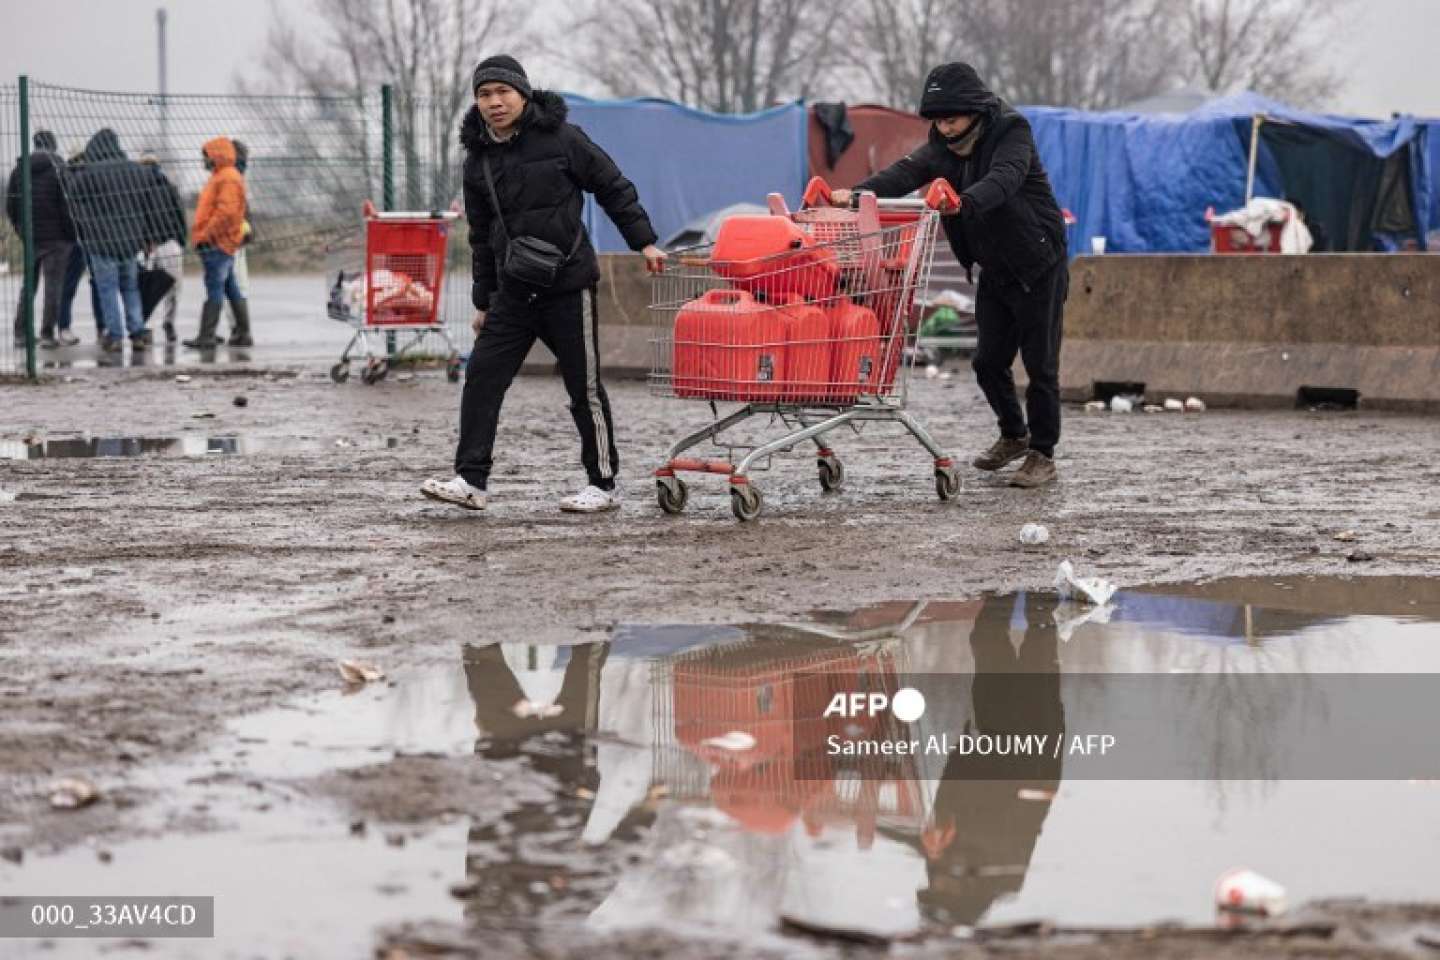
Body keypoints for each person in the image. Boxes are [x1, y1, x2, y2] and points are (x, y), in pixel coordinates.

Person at [421, 55, 666, 514]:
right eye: (484, 94)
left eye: (502, 92)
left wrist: (645, 243)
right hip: (512, 293)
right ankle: (471, 481)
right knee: (482, 377)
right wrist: (483, 301)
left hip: (568, 287)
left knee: (584, 388)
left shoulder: (562, 138)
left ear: (522, 93)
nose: (494, 102)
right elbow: (480, 237)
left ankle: (603, 485)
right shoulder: (477, 160)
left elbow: (612, 185)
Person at [833, 63, 1069, 488]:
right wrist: (857, 195)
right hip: (994, 268)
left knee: (1040, 367)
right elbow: (906, 171)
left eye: (952, 119)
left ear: (975, 112)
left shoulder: (1011, 131)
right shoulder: (942, 143)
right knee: (987, 363)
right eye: (938, 121)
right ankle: (1014, 435)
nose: (944, 128)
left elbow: (1005, 178)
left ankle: (1043, 455)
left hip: (1038, 263)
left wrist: (963, 202)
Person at [66, 129, 151, 352]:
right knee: (131, 289)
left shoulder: (88, 173)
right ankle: (138, 332)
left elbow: (73, 201)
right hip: (130, 242)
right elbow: (146, 204)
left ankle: (115, 335)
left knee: (108, 289)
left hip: (101, 242)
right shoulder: (135, 170)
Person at [6, 130, 78, 348]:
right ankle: (47, 335)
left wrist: (21, 230)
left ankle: (20, 333)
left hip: (31, 236)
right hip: (57, 239)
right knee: (53, 288)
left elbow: (11, 206)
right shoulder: (59, 169)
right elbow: (68, 207)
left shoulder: (19, 170)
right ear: (53, 146)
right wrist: (70, 234)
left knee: (28, 286)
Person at [184, 137, 249, 349]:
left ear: (216, 155)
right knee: (230, 288)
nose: (204, 160)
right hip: (223, 242)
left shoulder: (226, 178)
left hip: (217, 244)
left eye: (206, 156)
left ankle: (207, 336)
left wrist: (206, 235)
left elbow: (226, 212)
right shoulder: (224, 176)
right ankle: (243, 333)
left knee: (215, 288)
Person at [137, 153, 188, 343]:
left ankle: (146, 327)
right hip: (170, 241)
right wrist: (181, 240)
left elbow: (138, 219)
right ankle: (169, 322)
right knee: (173, 286)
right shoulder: (169, 187)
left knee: (147, 287)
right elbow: (180, 217)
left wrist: (142, 241)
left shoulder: (136, 189)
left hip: (149, 246)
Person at [225, 138, 254, 346]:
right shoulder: (238, 178)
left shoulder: (230, 178)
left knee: (233, 285)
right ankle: (239, 329)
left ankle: (239, 330)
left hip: (230, 239)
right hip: (238, 238)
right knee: (237, 285)